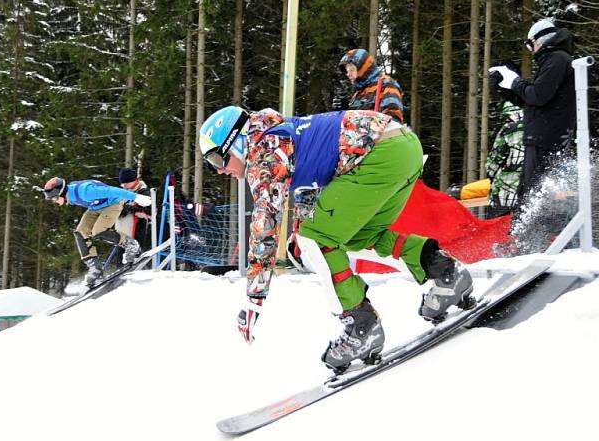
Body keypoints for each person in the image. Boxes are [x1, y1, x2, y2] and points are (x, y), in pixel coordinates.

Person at [198, 105, 474, 373]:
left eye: (217, 160)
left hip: (380, 155)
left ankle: (360, 325)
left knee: (314, 239)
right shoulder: (279, 136)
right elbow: (312, 187)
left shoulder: (264, 154)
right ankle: (445, 272)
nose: (221, 171)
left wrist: (253, 299)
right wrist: (299, 228)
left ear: (236, 144)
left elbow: (264, 226)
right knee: (358, 237)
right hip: (404, 146)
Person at [489, 19, 577, 214]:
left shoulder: (557, 59)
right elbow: (533, 102)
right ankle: (522, 238)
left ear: (542, 40)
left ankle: (529, 238)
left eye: (531, 44)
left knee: (532, 193)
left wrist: (515, 82)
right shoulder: (553, 60)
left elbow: (538, 95)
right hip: (542, 134)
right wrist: (506, 89)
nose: (531, 50)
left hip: (546, 136)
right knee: (529, 192)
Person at [43, 176, 152, 289]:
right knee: (80, 233)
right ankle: (95, 268)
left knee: (99, 231)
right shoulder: (70, 194)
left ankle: (131, 244)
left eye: (54, 199)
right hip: (96, 207)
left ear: (60, 193)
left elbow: (113, 190)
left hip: (113, 203)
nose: (54, 202)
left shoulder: (85, 191)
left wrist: (136, 197)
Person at [338, 48, 405, 123]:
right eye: (347, 71)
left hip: (382, 134)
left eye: (352, 69)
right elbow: (352, 124)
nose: (348, 74)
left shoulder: (387, 84)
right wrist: (341, 113)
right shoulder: (358, 93)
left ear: (363, 67)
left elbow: (393, 120)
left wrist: (374, 126)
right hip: (361, 134)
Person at [484, 101, 524, 219]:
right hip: (531, 192)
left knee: (497, 229)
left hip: (505, 193)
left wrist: (490, 174)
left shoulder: (508, 129)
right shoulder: (538, 127)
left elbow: (494, 162)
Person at [116, 167, 151, 252]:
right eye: (122, 184)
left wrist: (131, 209)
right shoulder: (123, 193)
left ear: (134, 181)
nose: (124, 186)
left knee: (134, 258)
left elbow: (151, 212)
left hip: (136, 232)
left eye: (126, 183)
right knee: (120, 259)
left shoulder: (143, 192)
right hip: (121, 232)